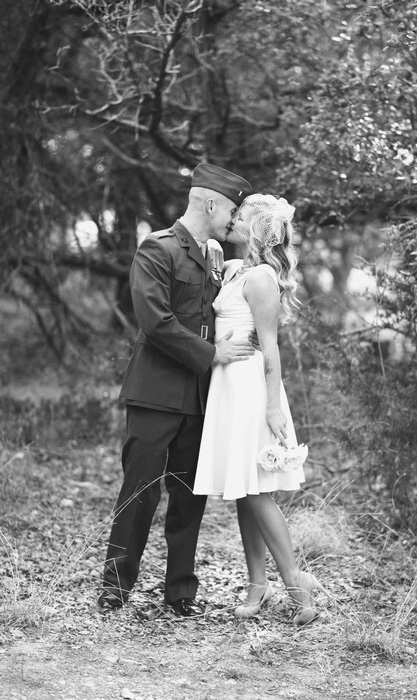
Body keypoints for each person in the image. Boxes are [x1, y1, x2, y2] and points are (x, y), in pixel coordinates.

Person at [99, 163, 254, 616]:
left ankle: (180, 592)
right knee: (140, 490)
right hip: (156, 393)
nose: (233, 218)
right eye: (231, 208)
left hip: (201, 398)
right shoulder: (157, 248)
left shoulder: (213, 257)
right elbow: (155, 320)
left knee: (189, 496)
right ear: (210, 203)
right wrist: (211, 353)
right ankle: (115, 587)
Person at [193, 193, 320, 626]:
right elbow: (208, 252)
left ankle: (294, 582)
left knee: (258, 493)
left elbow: (271, 351)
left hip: (251, 390)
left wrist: (273, 408)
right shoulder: (234, 269)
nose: (233, 219)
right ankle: (257, 584)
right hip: (227, 387)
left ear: (258, 231)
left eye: (241, 216)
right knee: (243, 490)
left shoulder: (262, 278)